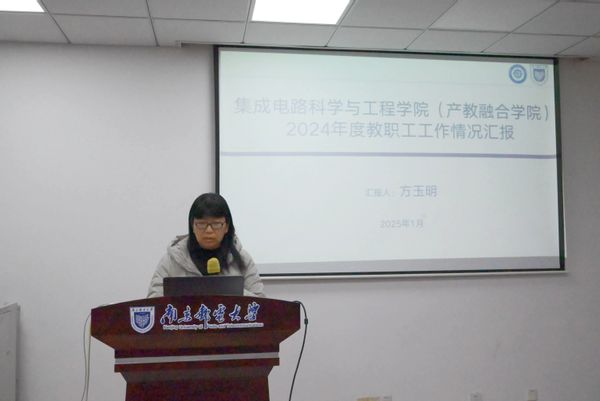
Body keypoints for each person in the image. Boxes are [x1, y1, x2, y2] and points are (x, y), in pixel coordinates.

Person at [147, 193, 265, 298]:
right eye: (202, 224)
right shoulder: (172, 259)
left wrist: (230, 290)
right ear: (192, 226)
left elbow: (261, 304)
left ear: (227, 226)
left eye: (216, 224)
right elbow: (153, 301)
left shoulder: (243, 259)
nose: (209, 230)